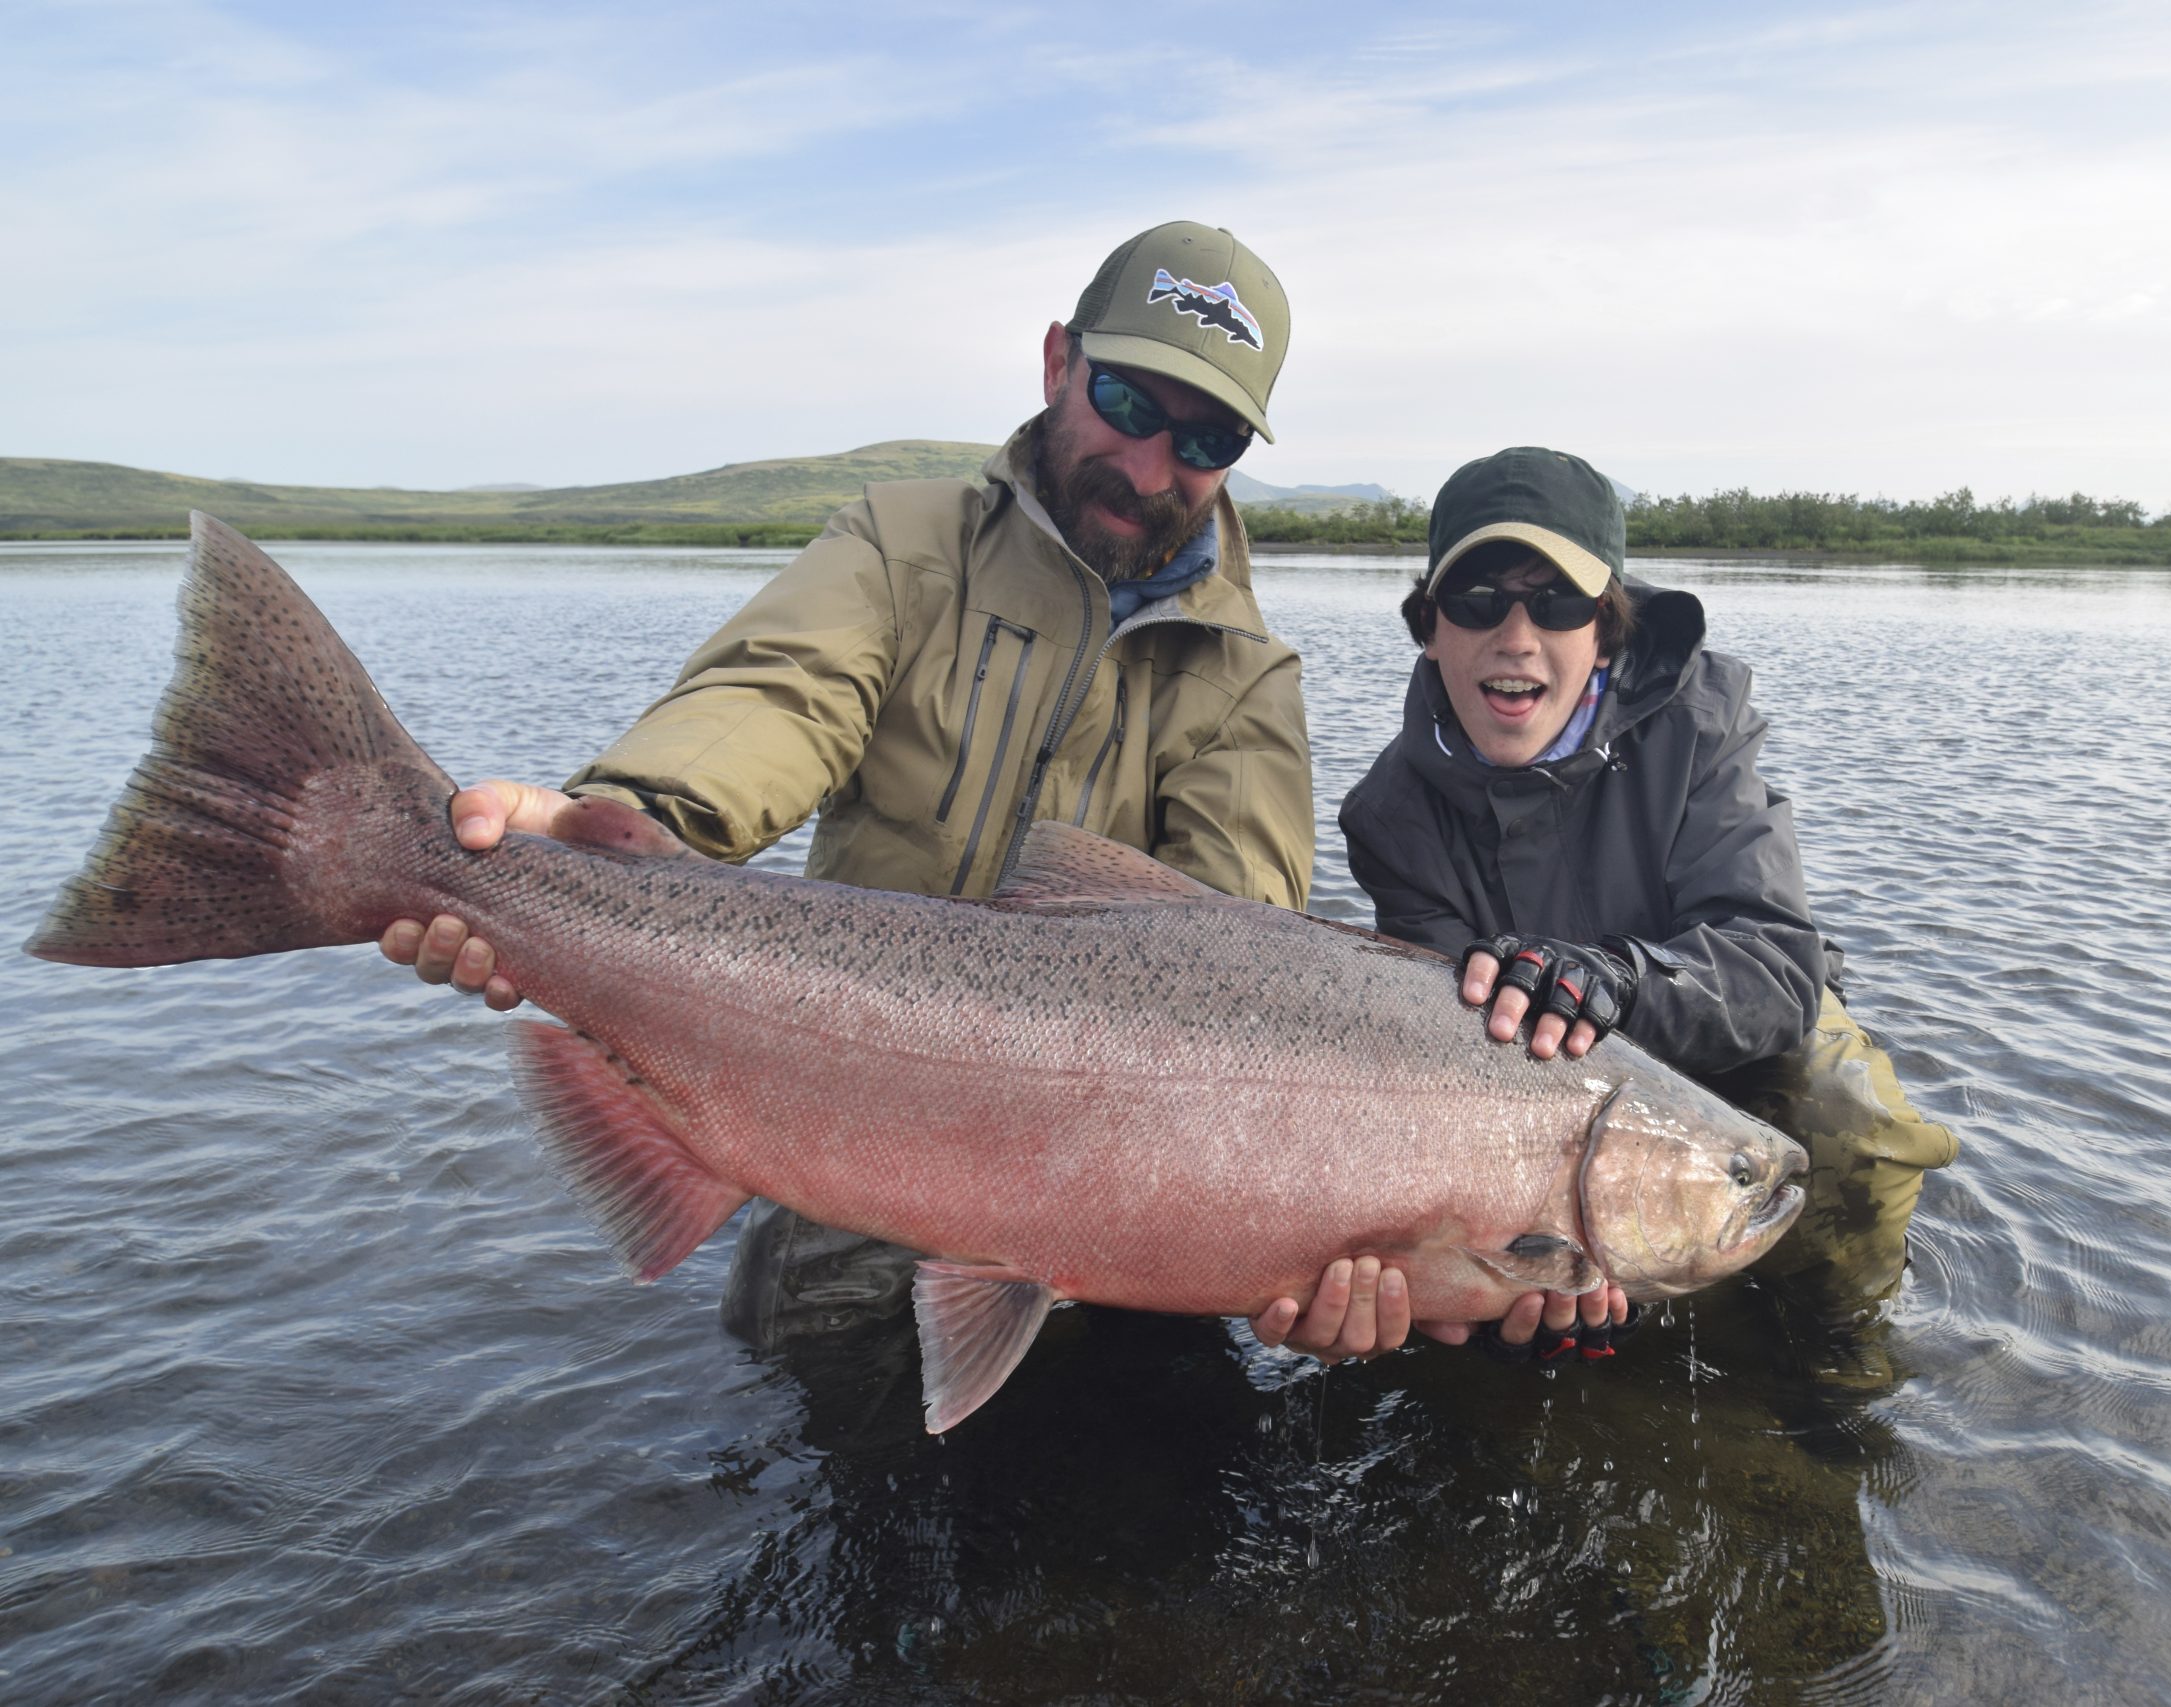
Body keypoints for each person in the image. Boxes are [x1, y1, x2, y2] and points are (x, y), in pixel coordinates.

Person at [381, 221, 1399, 1363]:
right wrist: (621, 820)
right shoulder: (903, 547)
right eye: (1125, 402)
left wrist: (1299, 1243)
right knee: (799, 1452)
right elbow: (778, 694)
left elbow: (1243, 976)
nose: (1153, 466)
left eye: (1205, 436)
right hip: (837, 1121)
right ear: (1059, 363)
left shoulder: (1247, 676)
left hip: (1117, 1195)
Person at [1337, 447, 1959, 1352]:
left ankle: (1831, 1363)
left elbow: (1779, 964)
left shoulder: (1699, 730)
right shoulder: (1391, 815)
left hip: (1718, 1046)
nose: (1516, 635)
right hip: (1528, 1100)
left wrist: (1616, 981)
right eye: (1478, 600)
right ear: (1429, 626)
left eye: (1556, 603)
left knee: (1847, 1114)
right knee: (1465, 1310)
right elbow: (1443, 1064)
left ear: (1607, 628)